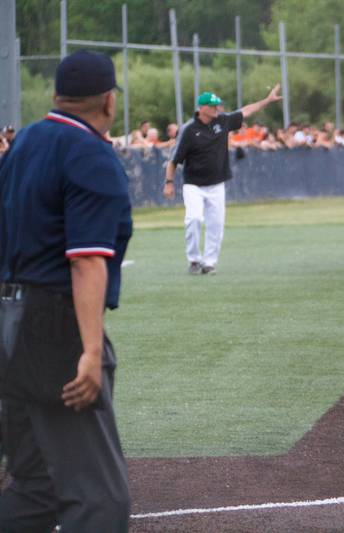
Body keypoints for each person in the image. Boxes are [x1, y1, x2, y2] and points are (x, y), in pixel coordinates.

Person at [0, 49, 132, 532]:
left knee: (37, 490)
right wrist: (91, 351)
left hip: (8, 325)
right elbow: (86, 260)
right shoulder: (90, 153)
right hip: (53, 328)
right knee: (101, 501)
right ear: (108, 102)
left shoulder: (26, 141)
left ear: (55, 96)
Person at [163, 85, 282, 274]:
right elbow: (173, 160)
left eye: (217, 105)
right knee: (194, 219)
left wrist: (267, 101)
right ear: (202, 108)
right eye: (213, 106)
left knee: (216, 225)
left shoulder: (223, 121)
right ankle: (194, 260)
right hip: (193, 184)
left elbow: (246, 111)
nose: (217, 108)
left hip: (217, 183)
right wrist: (169, 183)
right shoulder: (188, 130)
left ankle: (209, 263)